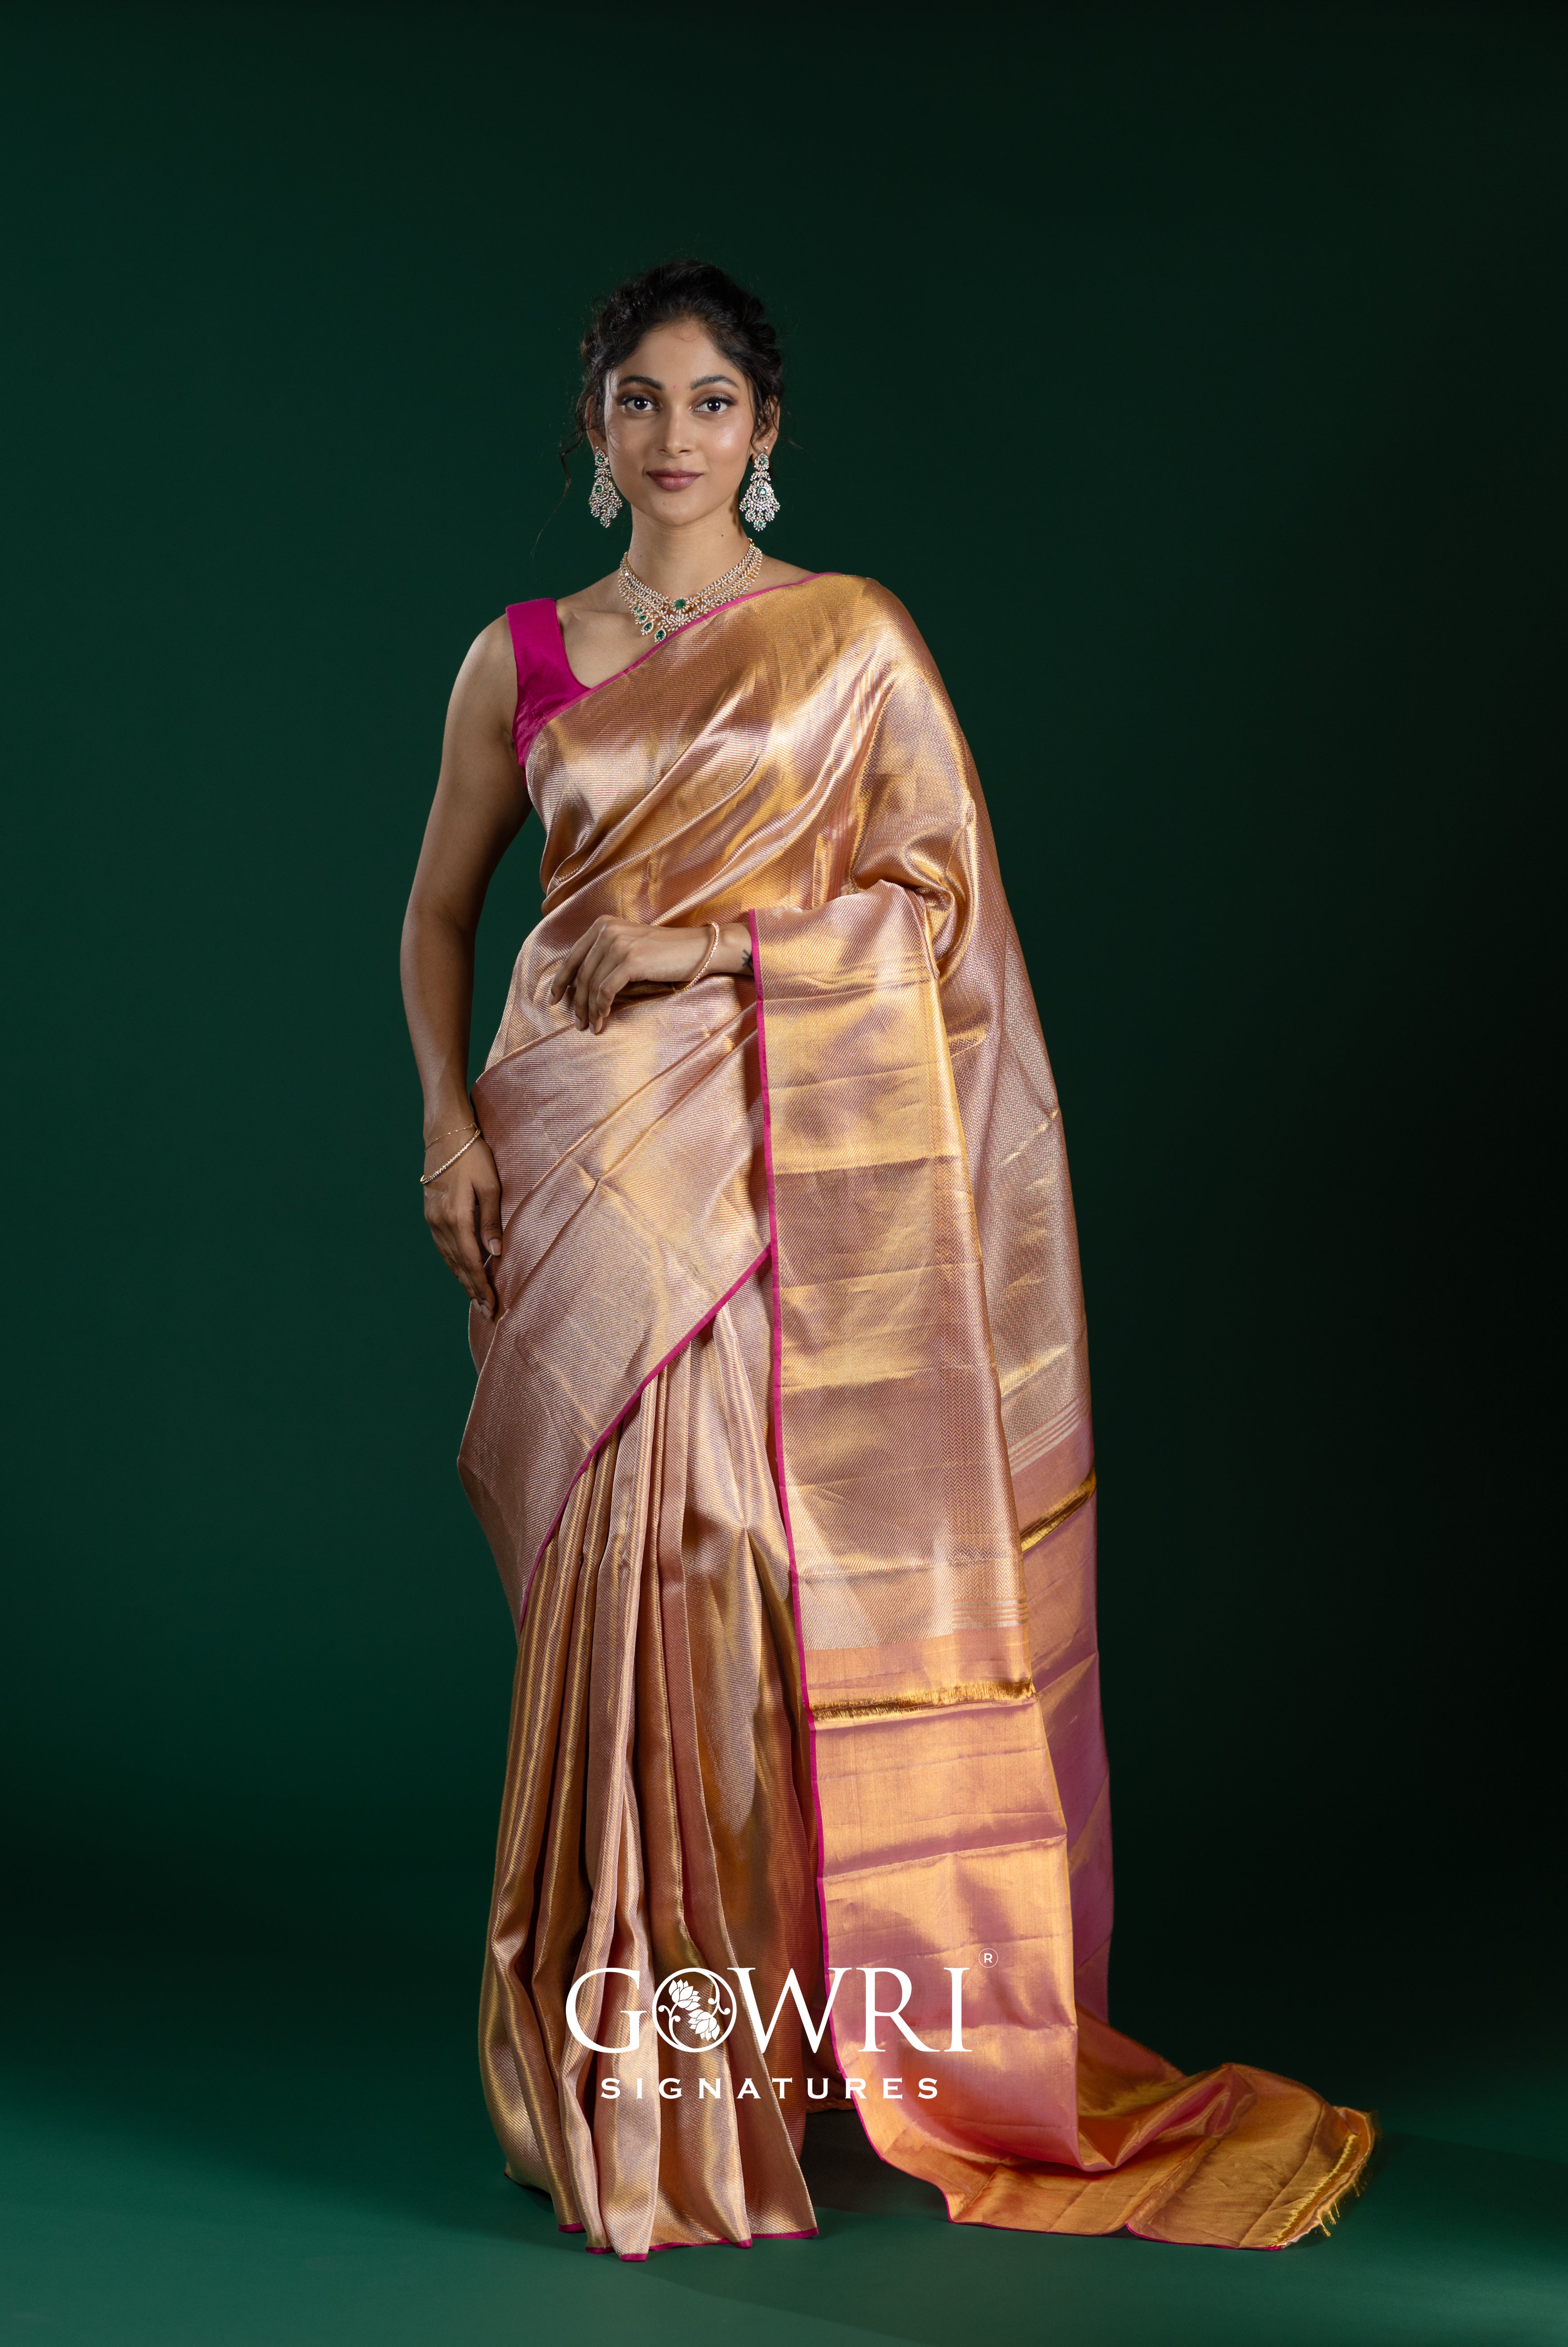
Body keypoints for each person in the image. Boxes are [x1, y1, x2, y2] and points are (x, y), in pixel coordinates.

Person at [400, 259, 1370, 2261]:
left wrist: (718, 946)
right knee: (614, 1593)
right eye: (640, 401)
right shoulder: (521, 657)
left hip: (780, 1169)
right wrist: (442, 1122)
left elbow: (935, 911)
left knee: (740, 1581)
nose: (675, 436)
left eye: (712, 403)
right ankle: (622, 2065)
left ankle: (745, 2059)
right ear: (592, 430)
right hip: (580, 1157)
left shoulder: (849, 642)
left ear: (766, 433)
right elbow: (435, 919)